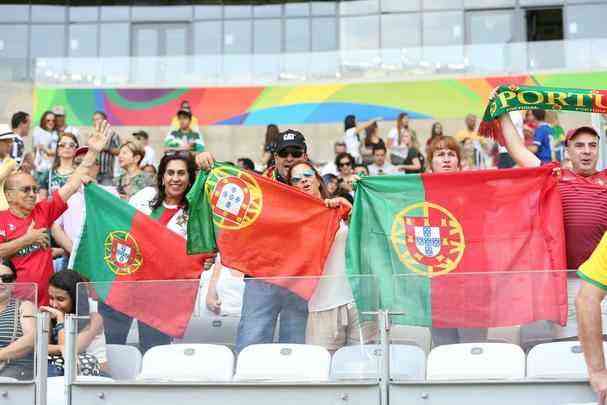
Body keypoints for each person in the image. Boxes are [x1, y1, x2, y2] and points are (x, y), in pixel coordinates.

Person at [498, 108, 607, 338]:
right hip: (565, 281)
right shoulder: (555, 176)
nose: (586, 151)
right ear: (567, 150)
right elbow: (518, 150)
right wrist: (502, 113)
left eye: (592, 145)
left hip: (602, 281)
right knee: (568, 348)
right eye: (579, 145)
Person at [0, 120, 111, 305]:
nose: (33, 194)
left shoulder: (43, 210)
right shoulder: (1, 219)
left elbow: (72, 184)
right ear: (9, 196)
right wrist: (27, 240)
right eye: (26, 190)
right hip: (13, 304)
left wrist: (92, 152)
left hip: (47, 302)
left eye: (35, 189)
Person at [100, 152, 202, 352]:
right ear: (162, 177)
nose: (175, 178)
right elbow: (121, 230)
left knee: (154, 351)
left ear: (190, 178)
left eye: (181, 173)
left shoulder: (194, 213)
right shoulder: (144, 196)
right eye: (170, 172)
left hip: (160, 294)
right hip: (126, 284)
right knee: (111, 346)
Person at [286, 161, 376, 352]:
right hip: (322, 306)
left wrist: (350, 211)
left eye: (307, 175)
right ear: (292, 188)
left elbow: (369, 241)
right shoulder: (292, 222)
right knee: (322, 373)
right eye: (296, 179)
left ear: (318, 179)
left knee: (365, 370)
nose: (303, 181)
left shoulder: (340, 207)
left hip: (359, 302)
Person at [427, 136, 486, 345]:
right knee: (444, 352)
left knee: (473, 349)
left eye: (451, 154)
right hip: (438, 288)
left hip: (471, 286)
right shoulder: (419, 194)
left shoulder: (474, 190)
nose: (446, 159)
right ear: (430, 163)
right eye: (440, 154)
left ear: (459, 161)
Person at [41, 270, 107, 377]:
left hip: (96, 375)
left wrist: (60, 321)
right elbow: (40, 348)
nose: (54, 304)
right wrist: (59, 348)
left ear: (76, 298)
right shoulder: (51, 316)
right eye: (51, 298)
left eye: (60, 299)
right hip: (63, 371)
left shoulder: (95, 318)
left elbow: (70, 349)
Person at [0, 258, 36, 380]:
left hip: (14, 376)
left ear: (14, 282)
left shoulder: (24, 306)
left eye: (6, 279)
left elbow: (32, 338)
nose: (1, 282)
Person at [40, 132, 79, 197]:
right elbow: (41, 202)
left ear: (76, 150)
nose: (67, 147)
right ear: (58, 150)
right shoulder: (48, 175)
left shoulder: (81, 174)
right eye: (62, 145)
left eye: (71, 145)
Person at [93, 111, 121, 186]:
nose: (96, 122)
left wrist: (106, 148)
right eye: (94, 120)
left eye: (98, 119)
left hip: (106, 173)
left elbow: (119, 151)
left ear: (105, 120)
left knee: (106, 193)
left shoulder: (113, 135)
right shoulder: (92, 135)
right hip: (93, 172)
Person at [32, 111, 58, 175]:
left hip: (51, 168)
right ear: (43, 121)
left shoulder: (55, 134)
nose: (51, 122)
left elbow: (54, 152)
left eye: (53, 120)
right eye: (48, 120)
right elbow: (35, 150)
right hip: (38, 167)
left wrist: (43, 148)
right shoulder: (37, 130)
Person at [0, 126, 17, 210]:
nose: (9, 145)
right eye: (6, 141)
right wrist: (8, 169)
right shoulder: (10, 164)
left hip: (7, 211)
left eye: (11, 141)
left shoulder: (11, 162)